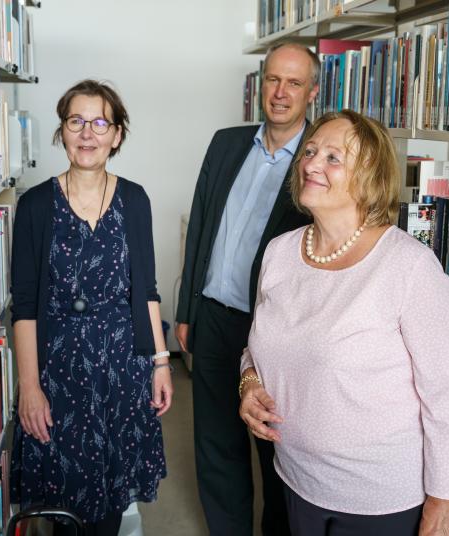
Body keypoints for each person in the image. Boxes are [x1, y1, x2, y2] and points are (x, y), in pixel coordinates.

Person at [239, 110, 449, 536]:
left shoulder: (408, 266)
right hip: (294, 480)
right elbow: (260, 345)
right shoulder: (278, 252)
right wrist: (249, 381)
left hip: (379, 501)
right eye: (309, 152)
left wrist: (444, 503)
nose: (310, 163)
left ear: (370, 175)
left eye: (333, 157)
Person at [9, 80, 172, 536]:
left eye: (100, 122)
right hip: (59, 374)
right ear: (62, 131)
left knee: (112, 503)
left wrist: (161, 364)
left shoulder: (135, 199)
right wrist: (29, 386)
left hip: (124, 370)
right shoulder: (35, 205)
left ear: (117, 135)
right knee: (66, 504)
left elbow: (148, 291)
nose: (88, 133)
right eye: (76, 121)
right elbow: (25, 306)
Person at [175, 42, 319, 535]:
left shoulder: (319, 163)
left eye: (294, 83)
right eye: (274, 80)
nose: (280, 93)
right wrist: (186, 309)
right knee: (216, 445)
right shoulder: (226, 143)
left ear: (312, 92)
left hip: (273, 331)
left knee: (275, 451)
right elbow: (201, 229)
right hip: (214, 318)